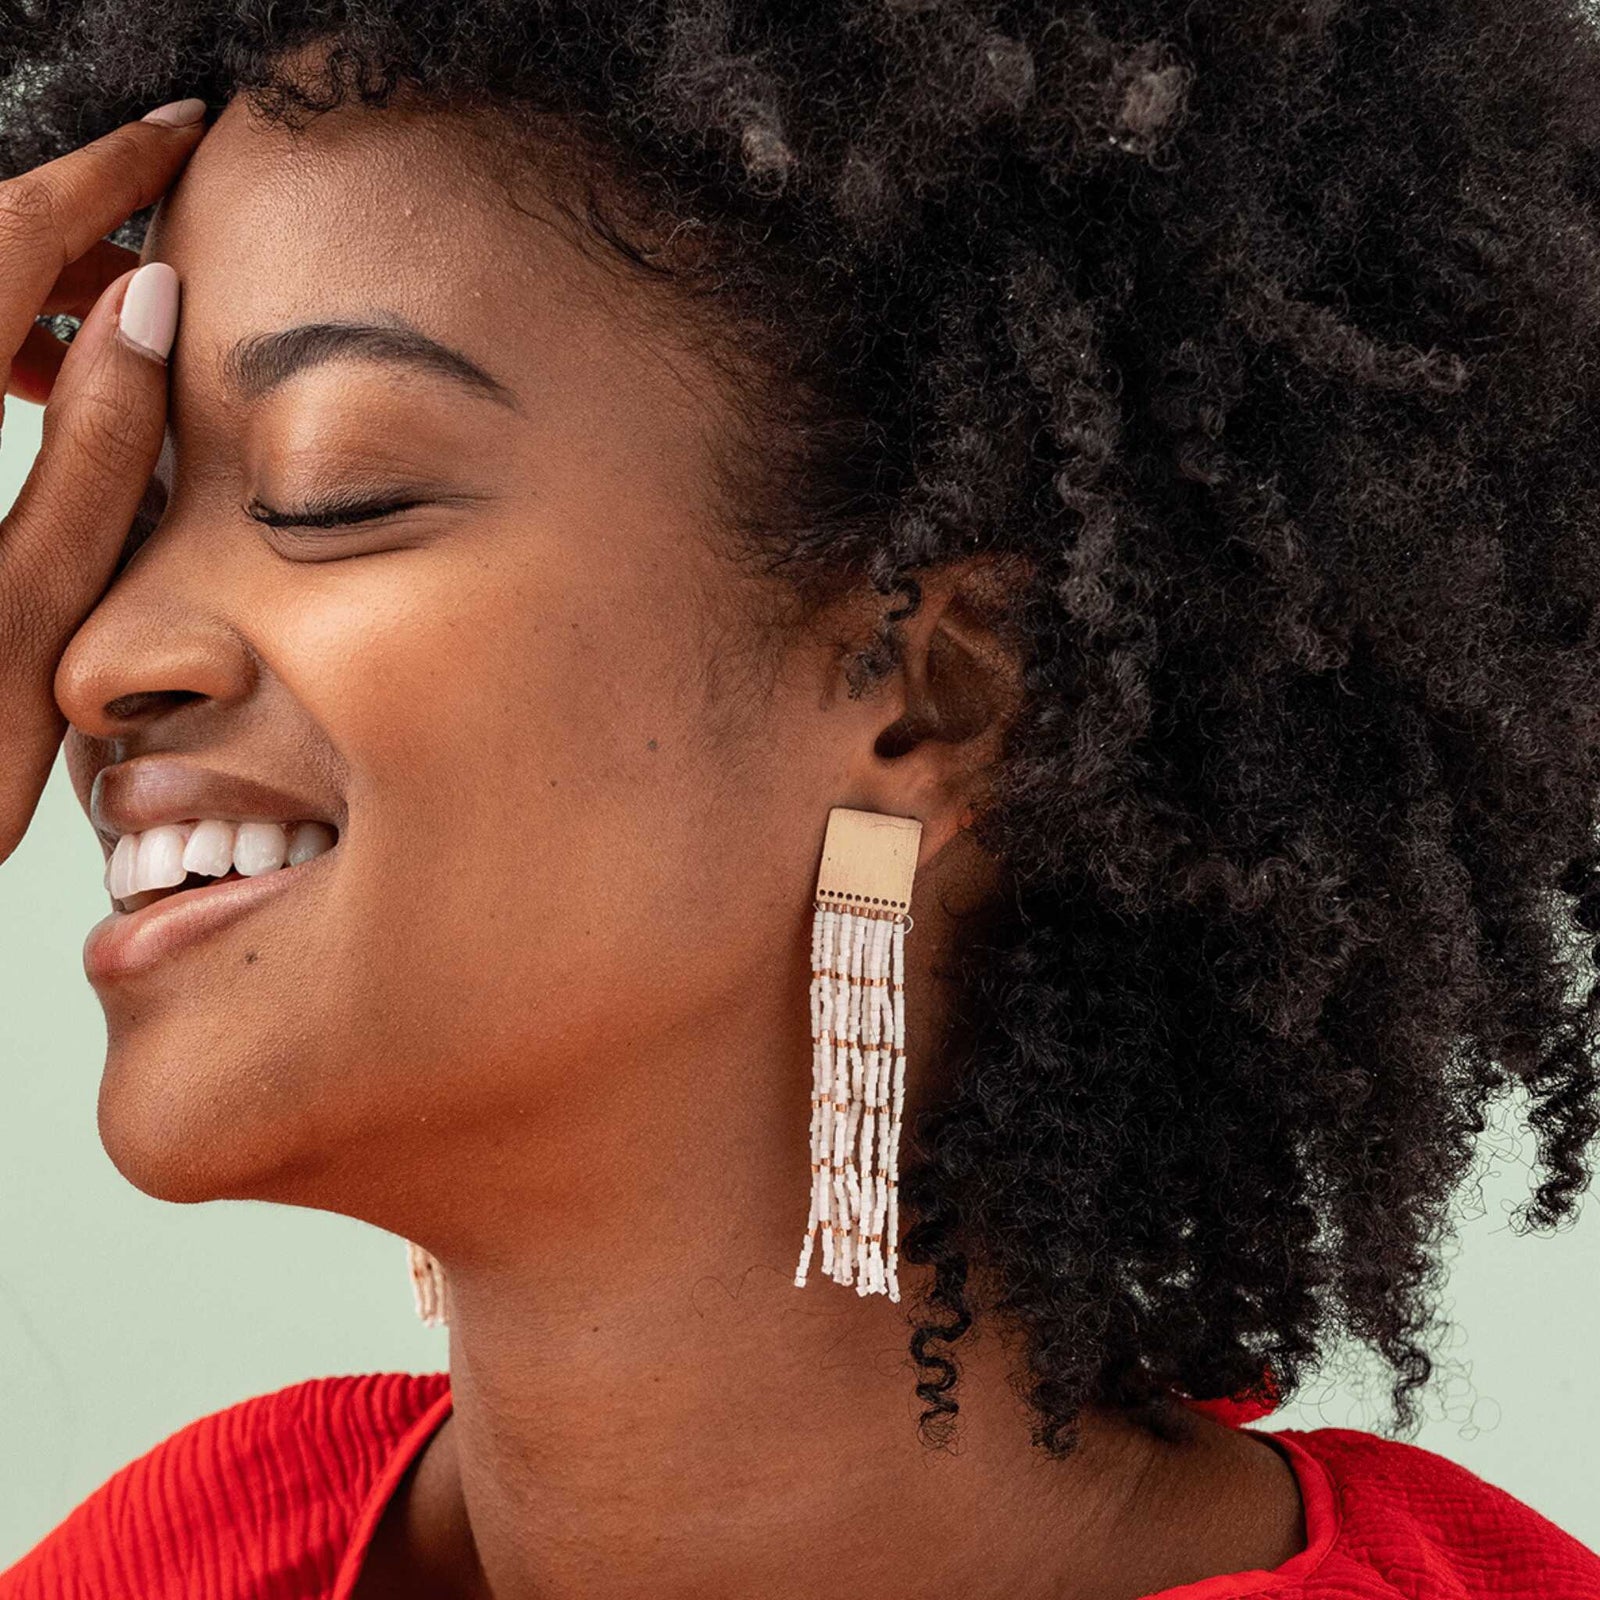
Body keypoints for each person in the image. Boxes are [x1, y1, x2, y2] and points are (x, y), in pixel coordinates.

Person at [0, 3, 1598, 1596]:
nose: (97, 659)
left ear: (939, 695)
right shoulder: (180, 1556)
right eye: (120, 507)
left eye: (332, 491)